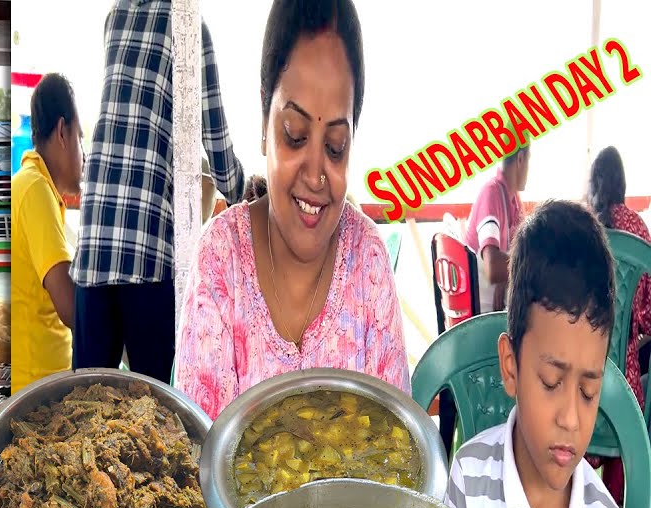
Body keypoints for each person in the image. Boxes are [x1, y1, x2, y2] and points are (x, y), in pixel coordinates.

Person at [174, 0, 408, 419]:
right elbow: (199, 454)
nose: (317, 175)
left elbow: (398, 446)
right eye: (295, 135)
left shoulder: (368, 264)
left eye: (336, 147)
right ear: (265, 120)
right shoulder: (221, 260)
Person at [72, 0, 246, 383]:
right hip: (145, 246)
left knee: (81, 399)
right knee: (158, 404)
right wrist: (243, 193)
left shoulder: (115, 16)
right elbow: (214, 136)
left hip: (94, 240)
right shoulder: (188, 27)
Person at [446, 200, 627, 508]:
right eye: (550, 381)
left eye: (589, 392)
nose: (571, 419)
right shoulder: (468, 479)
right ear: (511, 367)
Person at [584, 145, 650, 505]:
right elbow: (649, 316)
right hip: (625, 392)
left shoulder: (583, 226)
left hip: (580, 382)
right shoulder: (639, 228)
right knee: (635, 378)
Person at [10, 74, 82, 393]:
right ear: (63, 132)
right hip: (34, 392)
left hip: (41, 384)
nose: (84, 156)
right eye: (81, 138)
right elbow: (70, 307)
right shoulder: (35, 189)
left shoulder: (35, 187)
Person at [465, 142, 530, 314]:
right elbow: (493, 268)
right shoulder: (492, 193)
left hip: (501, 304)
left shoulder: (513, 198)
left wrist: (507, 277)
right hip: (482, 313)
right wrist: (511, 271)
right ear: (521, 159)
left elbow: (523, 249)